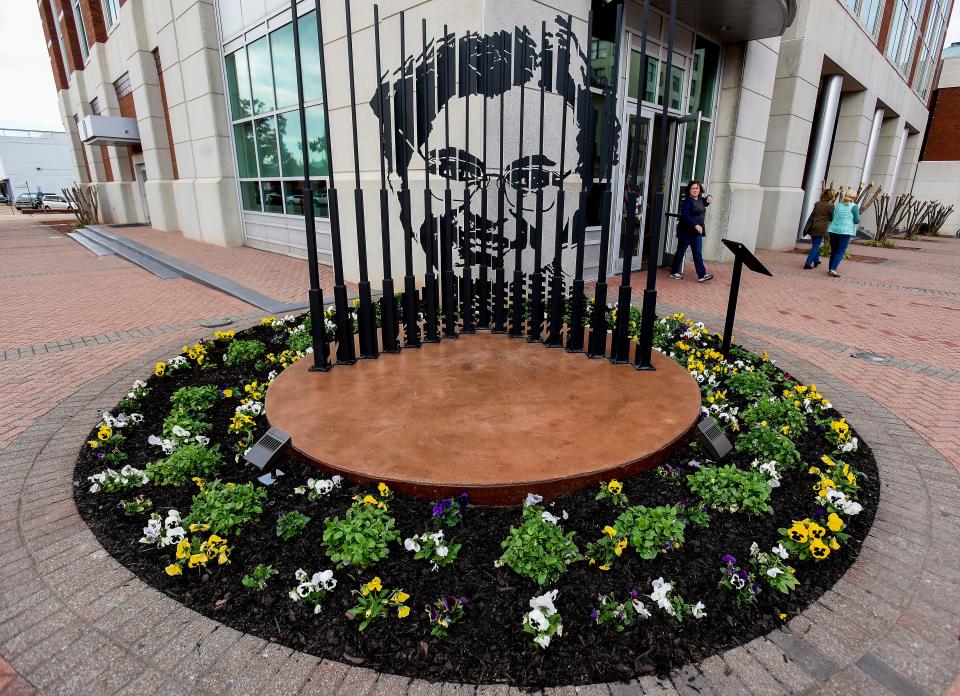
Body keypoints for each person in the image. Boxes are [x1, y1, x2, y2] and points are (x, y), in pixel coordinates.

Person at [670, 180, 713, 282]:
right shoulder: (688, 201)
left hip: (697, 233)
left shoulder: (700, 200)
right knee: (681, 252)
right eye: (693, 188)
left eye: (697, 188)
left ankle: (702, 275)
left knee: (697, 253)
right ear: (689, 190)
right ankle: (674, 272)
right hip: (686, 232)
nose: (695, 190)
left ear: (700, 189)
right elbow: (685, 215)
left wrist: (710, 196)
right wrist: (695, 225)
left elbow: (706, 202)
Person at [825, 191, 859, 277]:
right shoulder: (854, 207)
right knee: (840, 251)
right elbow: (856, 220)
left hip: (833, 230)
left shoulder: (838, 205)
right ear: (854, 198)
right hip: (845, 231)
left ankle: (830, 268)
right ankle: (833, 269)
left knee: (834, 250)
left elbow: (833, 217)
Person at [802, 189, 835, 269]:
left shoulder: (817, 204)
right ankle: (808, 263)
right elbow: (832, 217)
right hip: (821, 228)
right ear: (831, 196)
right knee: (816, 246)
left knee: (815, 244)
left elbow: (813, 215)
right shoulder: (831, 206)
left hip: (813, 226)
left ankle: (816, 261)